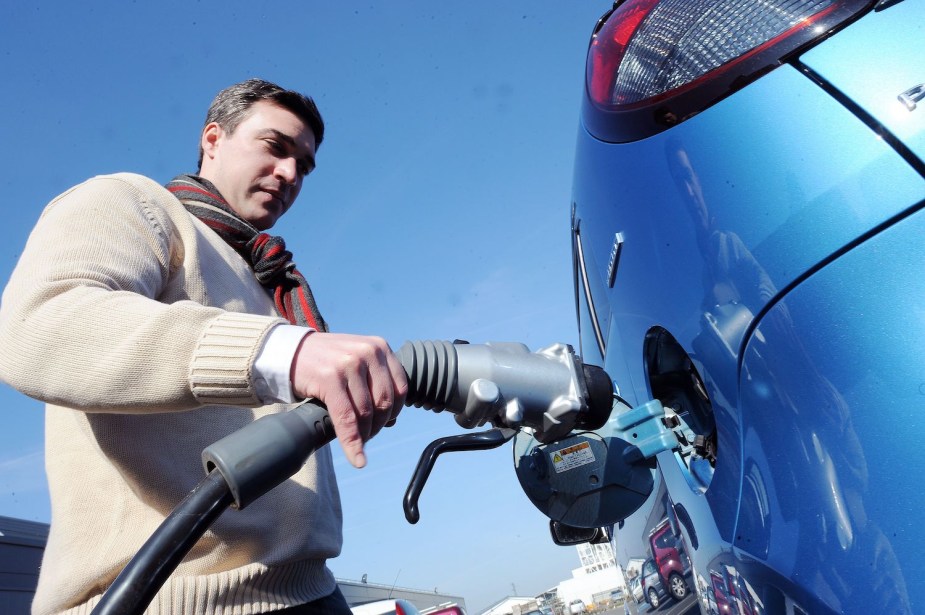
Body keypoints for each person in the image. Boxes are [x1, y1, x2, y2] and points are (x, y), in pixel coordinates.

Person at [0, 79, 408, 615]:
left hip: (309, 591)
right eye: (275, 147)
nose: (289, 174)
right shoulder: (133, 203)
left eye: (304, 166)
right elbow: (39, 326)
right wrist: (283, 353)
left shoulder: (272, 280)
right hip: (163, 600)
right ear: (213, 139)